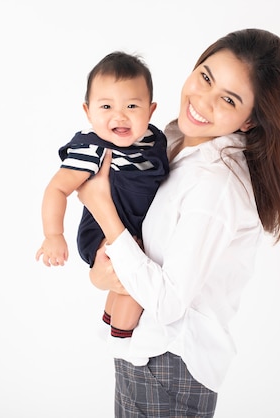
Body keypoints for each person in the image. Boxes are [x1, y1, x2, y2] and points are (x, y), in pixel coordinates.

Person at [77, 29, 280, 417]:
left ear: (249, 121)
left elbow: (167, 302)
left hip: (169, 361)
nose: (202, 101)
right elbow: (142, 249)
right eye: (206, 77)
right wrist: (99, 272)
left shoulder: (216, 184)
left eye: (228, 99)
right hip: (143, 350)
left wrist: (103, 209)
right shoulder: (173, 142)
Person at [35, 51, 169, 339]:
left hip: (132, 224)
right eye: (106, 106)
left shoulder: (152, 139)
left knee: (128, 277)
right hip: (101, 231)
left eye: (132, 105)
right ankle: (126, 344)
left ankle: (111, 319)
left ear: (151, 110)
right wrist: (53, 235)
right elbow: (57, 188)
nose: (119, 116)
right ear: (88, 112)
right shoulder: (93, 148)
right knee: (134, 282)